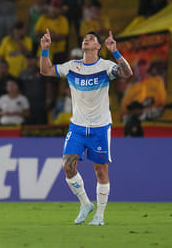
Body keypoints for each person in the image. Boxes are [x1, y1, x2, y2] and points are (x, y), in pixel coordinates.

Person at [40, 28, 133, 226]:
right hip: (77, 127)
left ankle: (99, 215)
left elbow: (127, 72)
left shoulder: (106, 66)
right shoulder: (72, 66)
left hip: (99, 127)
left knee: (101, 171)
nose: (87, 40)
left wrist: (115, 51)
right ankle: (85, 203)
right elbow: (45, 70)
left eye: (91, 39)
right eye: (85, 38)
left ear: (98, 46)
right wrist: (45, 49)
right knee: (68, 166)